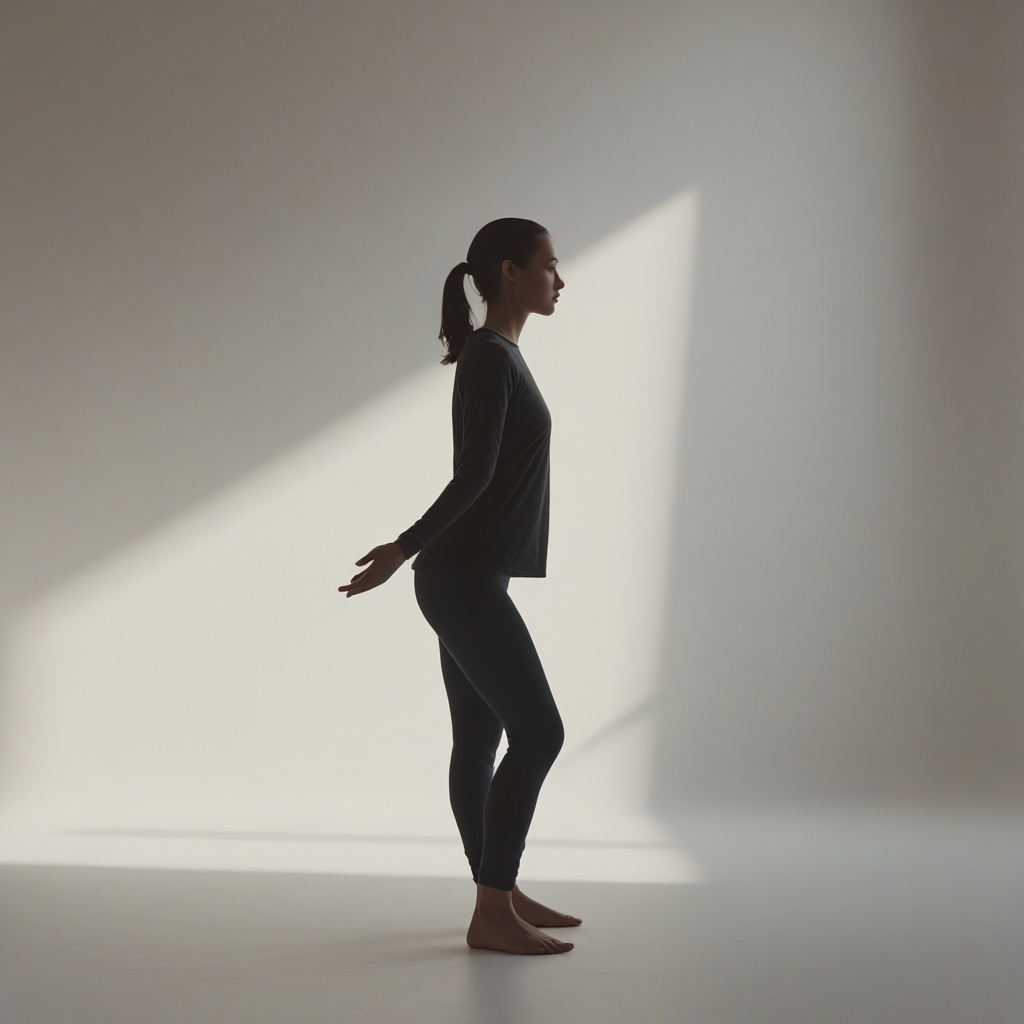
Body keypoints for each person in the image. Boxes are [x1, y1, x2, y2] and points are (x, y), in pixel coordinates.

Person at [339, 218, 579, 955]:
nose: (559, 280)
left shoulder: (497, 355)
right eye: (549, 265)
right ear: (511, 271)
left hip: (467, 576)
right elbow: (473, 474)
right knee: (540, 732)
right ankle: (491, 909)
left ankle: (497, 893)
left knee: (481, 739)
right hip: (461, 579)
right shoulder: (490, 361)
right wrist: (404, 547)